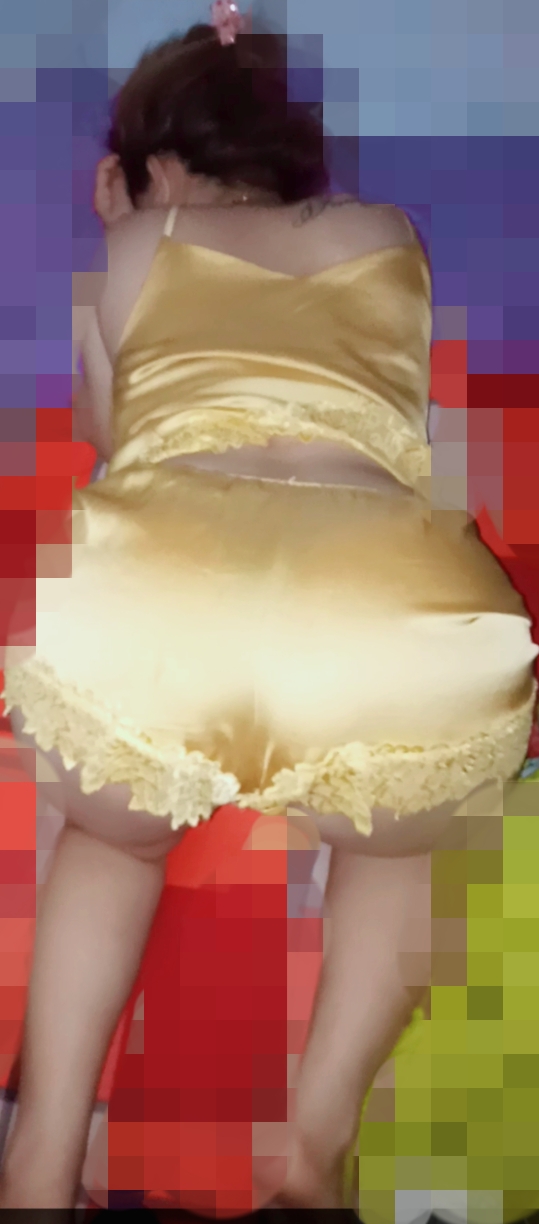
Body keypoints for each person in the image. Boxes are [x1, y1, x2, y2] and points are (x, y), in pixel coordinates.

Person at [1, 7, 537, 1212]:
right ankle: (310, 1148)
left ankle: (39, 1158)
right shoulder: (384, 232)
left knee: (111, 838)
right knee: (403, 847)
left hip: (165, 603)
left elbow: (112, 434)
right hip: (380, 615)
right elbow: (402, 412)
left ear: (143, 165)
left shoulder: (130, 249)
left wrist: (125, 226)